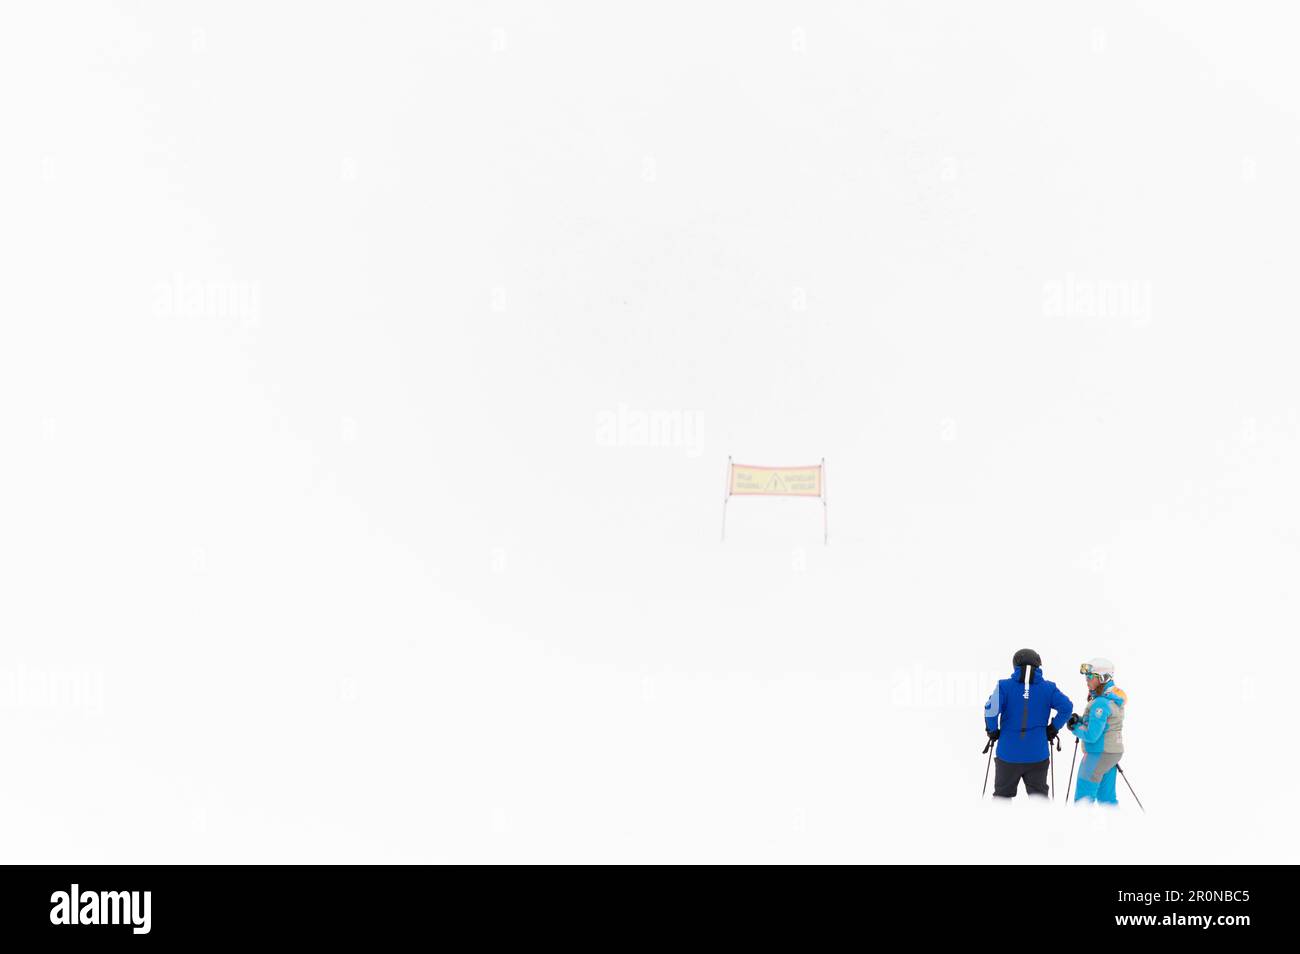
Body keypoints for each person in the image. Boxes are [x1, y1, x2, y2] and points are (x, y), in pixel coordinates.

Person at [983, 649, 1073, 798]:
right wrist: (1053, 728)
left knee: (1002, 798)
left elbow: (990, 710)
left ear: (1015, 665)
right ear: (1038, 665)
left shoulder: (1004, 686)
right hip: (1037, 754)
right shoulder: (1049, 688)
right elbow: (1067, 707)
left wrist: (992, 731)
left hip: (1008, 754)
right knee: (1039, 800)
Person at [1068, 658, 1126, 805]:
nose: (1086, 680)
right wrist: (1080, 720)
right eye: (1086, 676)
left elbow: (1091, 735)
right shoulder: (1112, 699)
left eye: (1090, 676)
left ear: (1102, 678)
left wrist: (1074, 727)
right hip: (1111, 753)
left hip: (1098, 753)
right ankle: (1116, 825)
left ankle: (1081, 825)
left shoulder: (1100, 702)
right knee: (1106, 798)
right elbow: (1103, 724)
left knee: (1083, 797)